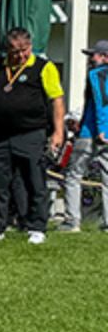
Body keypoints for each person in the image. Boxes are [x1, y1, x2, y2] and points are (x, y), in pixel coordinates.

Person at [0, 28, 67, 245]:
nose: (20, 55)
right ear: (6, 49)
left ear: (30, 46)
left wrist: (58, 132)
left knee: (35, 181)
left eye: (24, 50)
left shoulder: (43, 67)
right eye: (15, 51)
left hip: (31, 133)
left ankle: (37, 227)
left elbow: (57, 100)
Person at [70, 39, 108, 232]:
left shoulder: (96, 74)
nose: (90, 59)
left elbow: (102, 102)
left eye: (93, 55)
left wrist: (102, 129)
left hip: (92, 132)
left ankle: (72, 221)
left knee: (73, 175)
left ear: (104, 57)